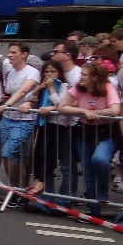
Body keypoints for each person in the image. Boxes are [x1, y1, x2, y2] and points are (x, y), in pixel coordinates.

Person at [57, 62, 119, 218]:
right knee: (88, 171)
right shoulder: (78, 88)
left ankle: (103, 190)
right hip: (85, 131)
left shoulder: (107, 87)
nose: (81, 77)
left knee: (99, 159)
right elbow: (62, 107)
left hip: (107, 132)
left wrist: (96, 113)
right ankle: (94, 210)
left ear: (95, 77)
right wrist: (84, 111)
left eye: (84, 74)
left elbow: (115, 110)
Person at [0, 43, 41, 198]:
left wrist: (6, 105)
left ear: (24, 54)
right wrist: (4, 100)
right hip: (8, 118)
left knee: (10, 153)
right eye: (9, 52)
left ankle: (20, 188)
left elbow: (23, 91)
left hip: (24, 120)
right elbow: (11, 92)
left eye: (14, 52)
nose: (10, 55)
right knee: (8, 156)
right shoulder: (11, 72)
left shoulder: (32, 72)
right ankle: (15, 188)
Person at [27, 58, 73, 201]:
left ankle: (42, 180)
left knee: (48, 152)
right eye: (46, 71)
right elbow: (28, 97)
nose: (49, 74)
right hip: (43, 123)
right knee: (38, 152)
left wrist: (52, 88)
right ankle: (37, 179)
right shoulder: (44, 86)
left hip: (58, 124)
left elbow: (60, 104)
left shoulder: (64, 85)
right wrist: (39, 88)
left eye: (53, 71)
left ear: (59, 72)